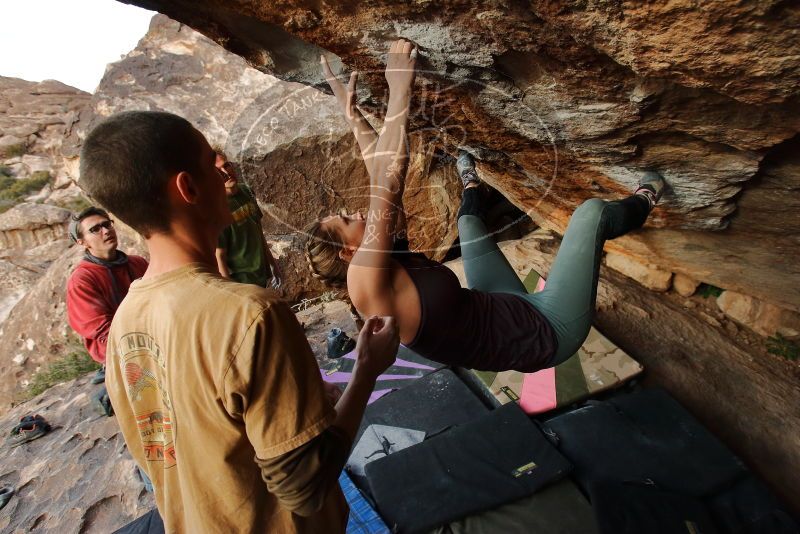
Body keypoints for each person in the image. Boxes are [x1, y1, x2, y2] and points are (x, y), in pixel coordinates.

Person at [79, 67, 402, 531]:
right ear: (187, 188)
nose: (224, 171)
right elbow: (305, 487)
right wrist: (367, 369)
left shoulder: (127, 320)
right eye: (212, 163)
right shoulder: (250, 315)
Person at [305, 44, 667, 373]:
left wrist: (351, 114)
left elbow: (379, 173)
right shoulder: (363, 283)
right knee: (591, 215)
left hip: (498, 303)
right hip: (545, 331)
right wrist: (399, 86)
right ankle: (648, 197)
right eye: (347, 220)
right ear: (348, 251)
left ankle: (471, 181)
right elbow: (389, 181)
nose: (357, 213)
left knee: (468, 222)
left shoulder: (378, 262)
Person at [66, 206, 148, 383]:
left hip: (155, 336)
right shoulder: (82, 280)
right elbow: (104, 331)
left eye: (107, 224)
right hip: (122, 355)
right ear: (82, 242)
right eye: (95, 230)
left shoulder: (138, 263)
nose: (105, 231)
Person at [213, 149, 283, 289]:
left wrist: (274, 265)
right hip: (241, 280)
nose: (226, 173)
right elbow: (220, 255)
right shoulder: (217, 209)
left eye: (226, 165)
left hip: (261, 273)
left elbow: (258, 229)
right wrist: (232, 291)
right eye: (219, 170)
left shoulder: (246, 191)